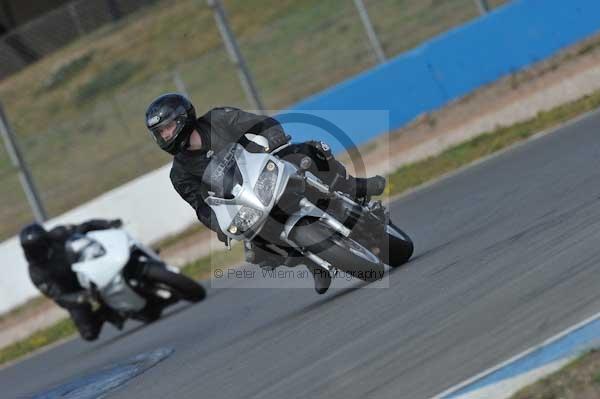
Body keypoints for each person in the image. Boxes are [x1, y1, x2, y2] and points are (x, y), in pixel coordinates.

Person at [145, 93, 386, 294]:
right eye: (160, 132)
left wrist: (272, 137)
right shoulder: (179, 174)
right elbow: (201, 207)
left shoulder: (217, 118)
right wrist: (218, 225)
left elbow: (259, 123)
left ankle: (354, 186)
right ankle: (312, 262)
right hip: (245, 202)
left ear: (183, 117)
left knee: (306, 153)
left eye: (167, 128)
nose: (165, 135)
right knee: (257, 252)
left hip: (266, 166)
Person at [20, 219, 124, 341]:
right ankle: (107, 312)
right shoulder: (36, 272)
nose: (36, 250)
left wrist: (107, 224)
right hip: (73, 291)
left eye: (39, 245)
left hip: (88, 269)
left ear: (47, 239)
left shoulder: (59, 233)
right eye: (32, 248)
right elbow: (60, 297)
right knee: (89, 333)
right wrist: (84, 296)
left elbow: (85, 226)